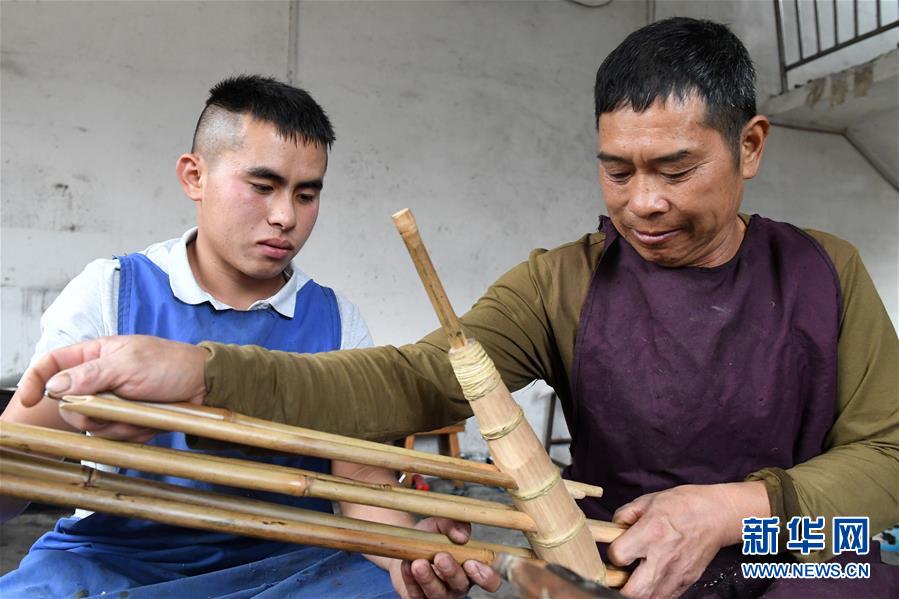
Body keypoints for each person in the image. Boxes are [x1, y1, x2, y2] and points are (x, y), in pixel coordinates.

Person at [10, 18, 899, 599]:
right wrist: (206, 370)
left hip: (787, 540)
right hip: (615, 548)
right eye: (616, 170)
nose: (643, 202)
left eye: (675, 169)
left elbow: (889, 457)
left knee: (863, 566)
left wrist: (730, 510)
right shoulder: (561, 282)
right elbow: (413, 379)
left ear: (749, 146)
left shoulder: (825, 271)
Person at [0, 75, 494, 599]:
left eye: (306, 195)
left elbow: (361, 482)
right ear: (194, 176)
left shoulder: (335, 320)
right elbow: (22, 460)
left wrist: (410, 549)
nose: (285, 217)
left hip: (287, 563)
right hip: (115, 558)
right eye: (262, 187)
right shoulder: (112, 290)